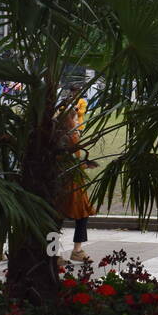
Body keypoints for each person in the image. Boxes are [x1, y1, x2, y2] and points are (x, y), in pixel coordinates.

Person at [59, 102, 97, 267]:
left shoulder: (56, 136)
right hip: (70, 184)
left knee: (55, 219)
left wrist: (83, 164)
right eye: (75, 120)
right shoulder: (71, 137)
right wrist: (83, 165)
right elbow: (68, 161)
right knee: (81, 215)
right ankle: (77, 250)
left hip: (63, 181)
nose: (78, 123)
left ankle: (55, 253)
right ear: (70, 121)